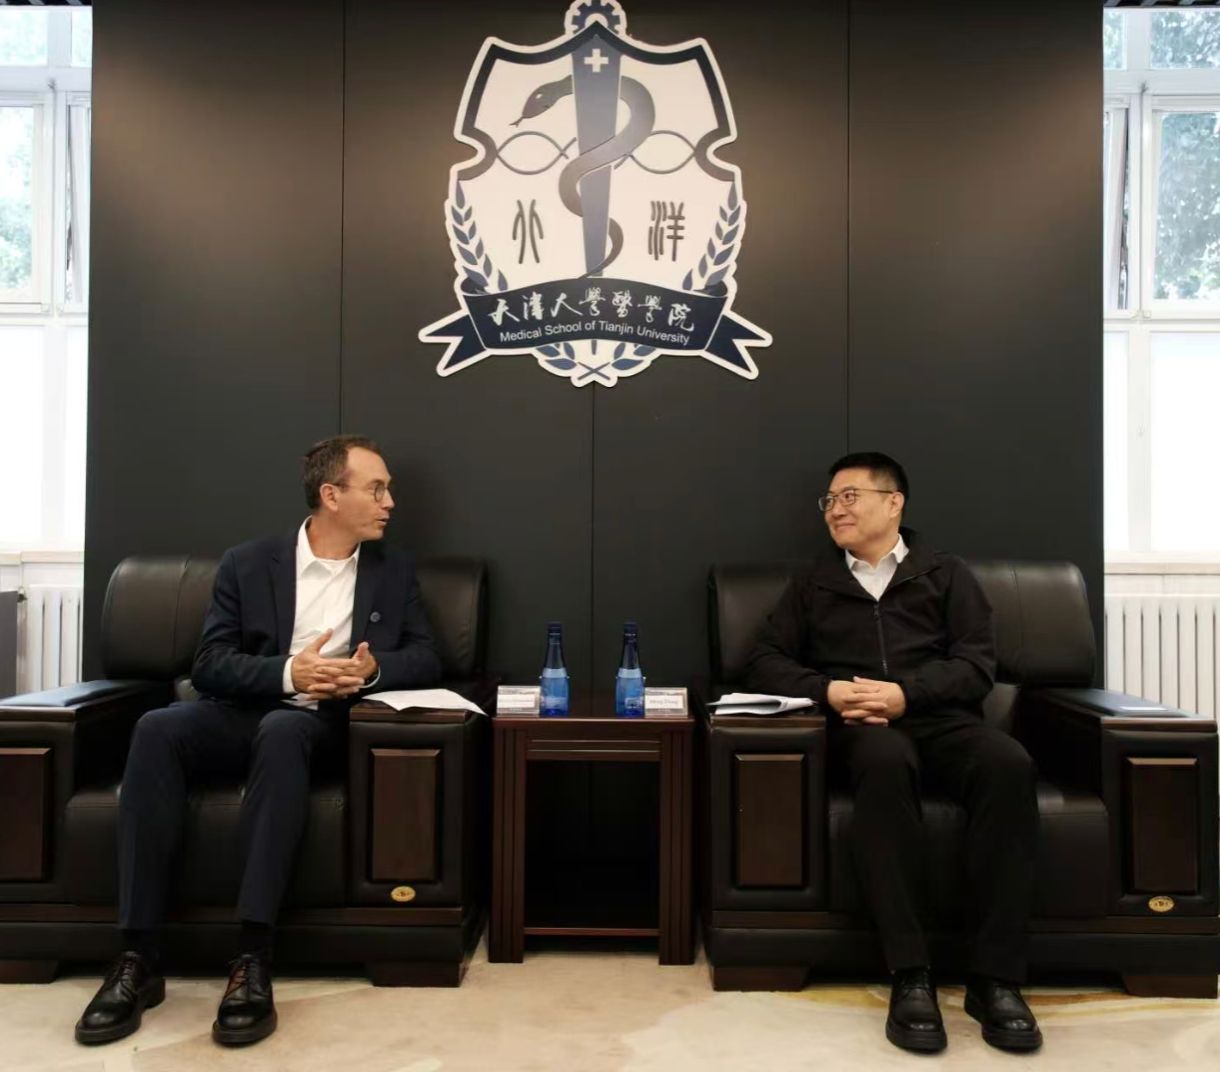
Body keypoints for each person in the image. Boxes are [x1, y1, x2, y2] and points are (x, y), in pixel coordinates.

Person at [75, 435, 441, 1048]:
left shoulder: (393, 571)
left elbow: (427, 656)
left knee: (283, 729)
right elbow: (210, 664)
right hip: (242, 711)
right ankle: (137, 957)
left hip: (321, 724)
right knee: (157, 727)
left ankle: (252, 956)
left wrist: (369, 670)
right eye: (377, 488)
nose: (390, 502)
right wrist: (289, 672)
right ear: (331, 495)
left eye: (388, 490)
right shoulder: (247, 563)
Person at [745, 451, 1041, 1054]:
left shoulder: (947, 574)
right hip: (860, 728)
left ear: (894, 502)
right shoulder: (814, 583)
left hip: (942, 718)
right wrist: (827, 690)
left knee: (1009, 764)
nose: (836, 510)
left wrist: (909, 694)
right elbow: (764, 660)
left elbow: (976, 665)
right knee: (884, 762)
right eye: (830, 501)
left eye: (849, 496)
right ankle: (910, 973)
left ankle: (996, 979)